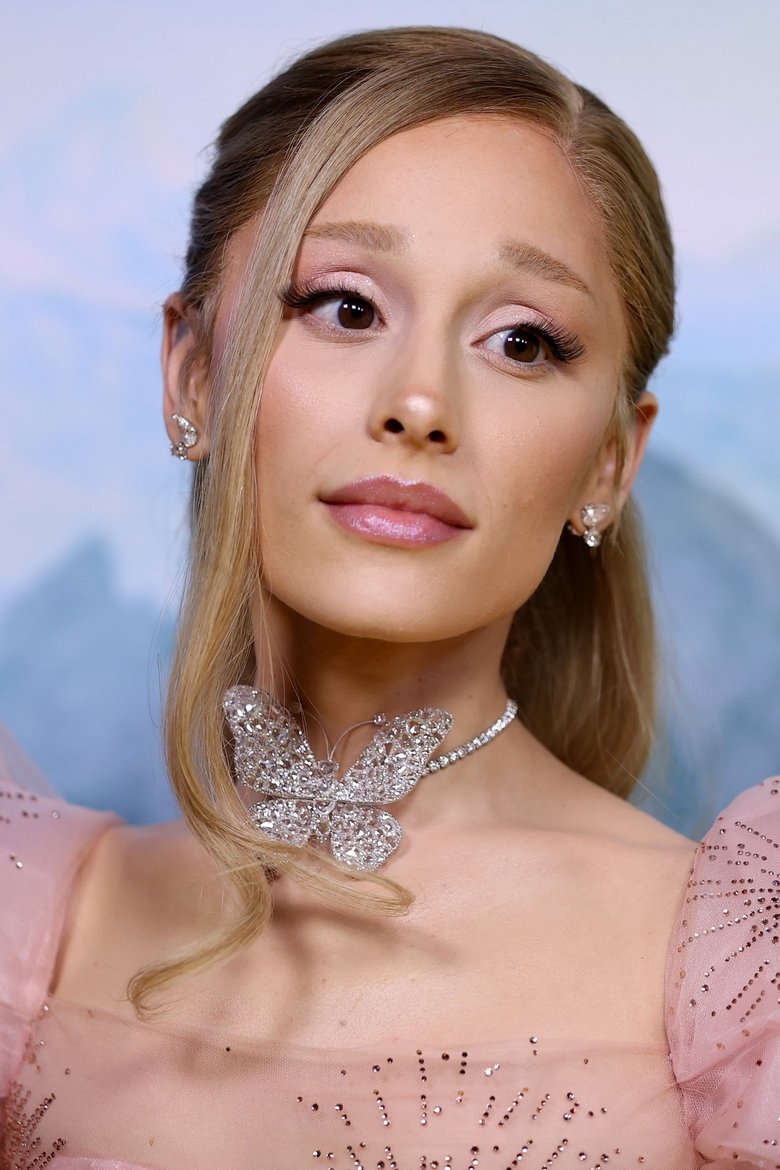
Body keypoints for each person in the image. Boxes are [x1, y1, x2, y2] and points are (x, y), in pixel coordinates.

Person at [1, 26, 777, 1169]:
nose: (420, 404)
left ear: (610, 463)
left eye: (524, 341)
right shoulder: (29, 930)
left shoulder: (746, 974)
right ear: (193, 374)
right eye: (346, 307)